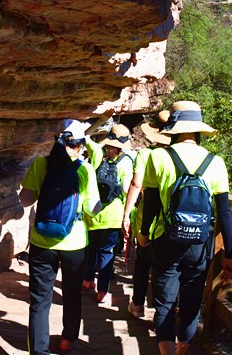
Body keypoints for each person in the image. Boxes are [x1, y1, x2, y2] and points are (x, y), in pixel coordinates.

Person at [137, 101, 232, 355]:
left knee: (164, 303)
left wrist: (144, 233)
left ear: (174, 128)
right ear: (198, 131)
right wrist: (229, 254)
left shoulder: (158, 156)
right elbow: (224, 212)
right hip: (199, 245)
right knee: (191, 304)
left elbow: (150, 203)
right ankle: (182, 351)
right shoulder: (216, 162)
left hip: (165, 240)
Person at [18, 120, 101, 355]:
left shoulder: (41, 164)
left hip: (42, 242)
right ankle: (67, 339)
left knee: (39, 301)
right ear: (80, 145)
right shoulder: (85, 170)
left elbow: (25, 200)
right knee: (72, 294)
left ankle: (39, 351)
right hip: (74, 244)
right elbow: (93, 209)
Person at [121, 111, 171, 318]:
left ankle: (138, 304)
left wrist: (125, 215)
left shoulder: (146, 154)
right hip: (169, 221)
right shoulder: (177, 156)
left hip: (145, 219)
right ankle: (163, 311)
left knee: (142, 263)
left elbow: (136, 184)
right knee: (166, 267)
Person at [82, 124, 134, 306]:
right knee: (107, 252)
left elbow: (84, 135)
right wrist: (129, 216)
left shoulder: (97, 153)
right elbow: (128, 190)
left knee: (91, 249)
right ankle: (102, 292)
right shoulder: (126, 161)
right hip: (114, 215)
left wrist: (101, 120)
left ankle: (87, 280)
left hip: (93, 213)